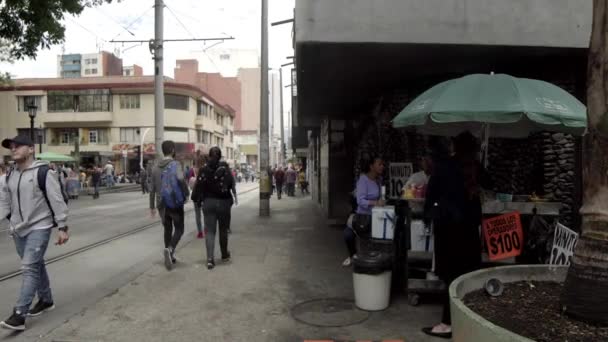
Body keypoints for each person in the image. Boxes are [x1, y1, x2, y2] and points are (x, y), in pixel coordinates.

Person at [0, 135, 69, 331]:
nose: (13, 149)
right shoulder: (10, 175)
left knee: (29, 267)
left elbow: (57, 200)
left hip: (40, 226)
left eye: (18, 146)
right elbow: (4, 204)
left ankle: (19, 314)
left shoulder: (44, 172)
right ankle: (46, 300)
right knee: (36, 264)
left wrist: (62, 227)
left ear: (31, 149)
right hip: (18, 228)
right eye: (11, 147)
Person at [421, 132, 485, 339]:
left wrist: (428, 214)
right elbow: (488, 186)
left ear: (454, 146)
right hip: (469, 232)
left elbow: (430, 198)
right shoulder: (477, 168)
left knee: (451, 278)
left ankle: (447, 324)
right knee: (467, 275)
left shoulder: (444, 167)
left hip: (448, 231)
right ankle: (468, 319)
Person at [192, 146, 235, 270]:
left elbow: (198, 187)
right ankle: (224, 255)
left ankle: (210, 259)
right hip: (224, 203)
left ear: (209, 156)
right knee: (223, 230)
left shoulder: (204, 169)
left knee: (210, 232)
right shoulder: (226, 169)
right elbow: (231, 184)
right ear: (220, 156)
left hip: (209, 203)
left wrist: (198, 200)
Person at [149, 141, 189, 271]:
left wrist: (152, 207)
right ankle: (170, 250)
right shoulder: (175, 164)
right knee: (179, 229)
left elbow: (152, 189)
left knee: (167, 229)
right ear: (172, 150)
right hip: (174, 202)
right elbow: (181, 179)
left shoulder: (155, 167)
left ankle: (169, 256)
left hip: (162, 204)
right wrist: (186, 194)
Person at [343, 156, 385, 266]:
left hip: (376, 216)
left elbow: (380, 197)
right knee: (349, 234)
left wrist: (382, 201)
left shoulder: (379, 180)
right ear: (371, 166)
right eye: (379, 164)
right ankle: (353, 256)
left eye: (382, 164)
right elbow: (360, 201)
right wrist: (375, 203)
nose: (382, 166)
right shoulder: (363, 180)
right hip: (363, 217)